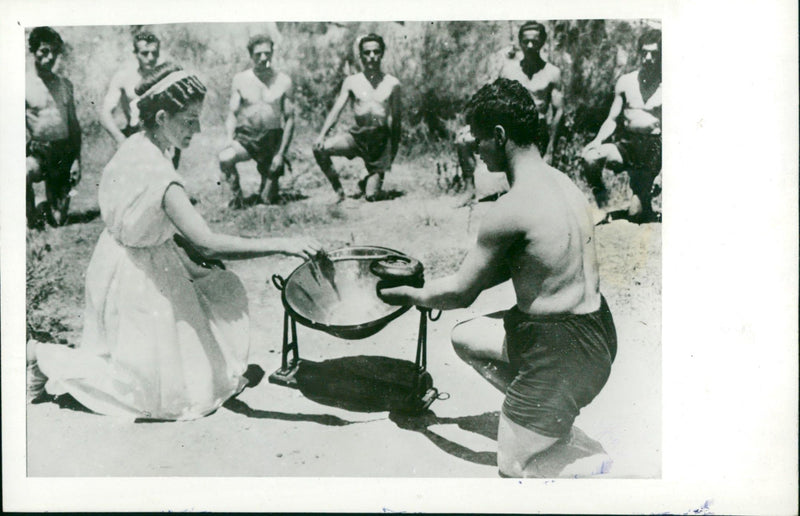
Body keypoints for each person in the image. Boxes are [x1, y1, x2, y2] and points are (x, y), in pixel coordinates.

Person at [27, 63, 322, 420]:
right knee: (143, 394)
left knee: (196, 373)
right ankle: (40, 355)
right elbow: (207, 243)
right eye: (189, 120)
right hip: (138, 281)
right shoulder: (162, 176)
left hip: (115, 264)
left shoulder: (136, 144)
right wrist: (283, 243)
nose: (196, 129)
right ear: (163, 116)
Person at [379, 78, 616, 478]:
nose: (475, 146)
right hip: (599, 334)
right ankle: (545, 415)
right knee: (465, 337)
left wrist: (406, 294)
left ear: (500, 136)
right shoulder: (564, 182)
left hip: (560, 353)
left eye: (479, 138)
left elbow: (460, 292)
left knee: (512, 468)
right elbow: (518, 265)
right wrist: (432, 287)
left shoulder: (509, 208)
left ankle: (583, 457)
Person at [455, 21, 563, 200]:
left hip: (535, 134)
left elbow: (559, 112)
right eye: (525, 41)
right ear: (520, 42)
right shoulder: (509, 69)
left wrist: (551, 150)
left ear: (542, 42)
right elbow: (494, 100)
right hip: (507, 130)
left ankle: (523, 195)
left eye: (534, 41)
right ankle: (469, 189)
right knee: (463, 140)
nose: (529, 46)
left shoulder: (552, 73)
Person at [580, 28, 662, 223]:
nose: (648, 58)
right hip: (628, 147)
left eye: (654, 53)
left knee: (636, 215)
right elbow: (612, 119)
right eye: (644, 52)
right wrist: (597, 140)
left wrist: (662, 174)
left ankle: (644, 195)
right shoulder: (625, 82)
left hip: (653, 152)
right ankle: (603, 206)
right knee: (590, 156)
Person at [313, 33, 401, 202]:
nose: (372, 57)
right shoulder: (352, 81)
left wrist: (392, 152)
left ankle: (369, 178)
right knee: (319, 149)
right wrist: (322, 135)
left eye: (376, 52)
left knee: (371, 196)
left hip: (380, 143)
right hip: (358, 137)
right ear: (361, 56)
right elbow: (336, 110)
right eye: (367, 53)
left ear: (382, 53)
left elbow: (396, 121)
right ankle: (338, 192)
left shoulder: (392, 83)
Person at [219, 34, 295, 208]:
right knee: (225, 158)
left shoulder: (283, 81)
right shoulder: (240, 80)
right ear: (250, 55)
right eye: (258, 54)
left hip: (272, 140)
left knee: (267, 202)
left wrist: (280, 154)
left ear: (272, 53)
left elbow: (290, 119)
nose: (263, 58)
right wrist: (229, 139)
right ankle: (238, 199)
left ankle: (267, 185)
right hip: (248, 137)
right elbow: (232, 113)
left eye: (267, 53)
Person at [99, 31, 181, 169]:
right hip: (136, 135)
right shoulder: (124, 77)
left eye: (154, 53)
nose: (150, 57)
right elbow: (104, 114)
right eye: (145, 53)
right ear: (135, 53)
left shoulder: (166, 76)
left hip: (164, 136)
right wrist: (120, 139)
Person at [26, 27, 82, 229]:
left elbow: (74, 126)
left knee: (58, 221)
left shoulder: (65, 84)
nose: (49, 58)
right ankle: (31, 218)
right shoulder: (23, 85)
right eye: (44, 51)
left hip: (63, 153)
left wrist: (77, 160)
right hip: (39, 151)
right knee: (22, 172)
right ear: (33, 50)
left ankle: (47, 206)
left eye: (54, 52)